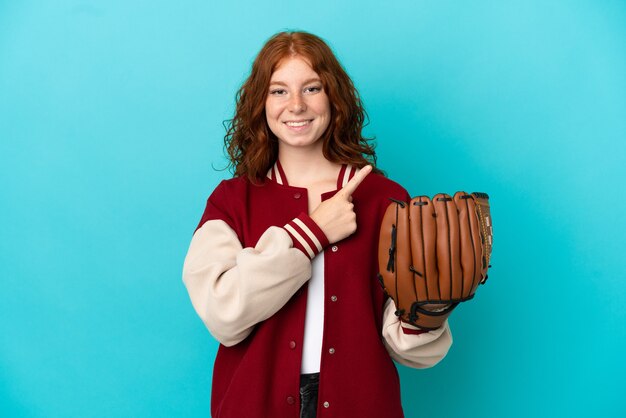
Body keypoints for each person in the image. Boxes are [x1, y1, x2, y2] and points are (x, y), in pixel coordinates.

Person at [182, 30, 452, 418]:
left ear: (333, 97)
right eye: (278, 91)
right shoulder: (231, 200)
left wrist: (428, 312)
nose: (295, 105)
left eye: (312, 88)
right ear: (260, 102)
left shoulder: (384, 199)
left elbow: (405, 346)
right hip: (253, 405)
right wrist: (312, 233)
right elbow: (224, 314)